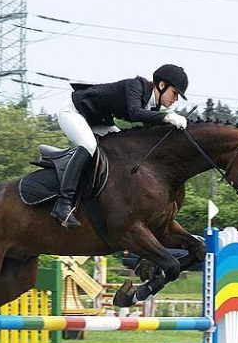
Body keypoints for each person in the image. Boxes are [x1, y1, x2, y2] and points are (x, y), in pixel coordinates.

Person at [52, 64, 189, 230]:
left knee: (124, 151)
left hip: (98, 121)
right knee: (89, 145)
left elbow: (149, 136)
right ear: (161, 85)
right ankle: (63, 203)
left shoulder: (153, 106)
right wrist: (167, 117)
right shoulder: (136, 86)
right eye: (175, 93)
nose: (175, 99)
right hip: (74, 112)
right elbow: (134, 112)